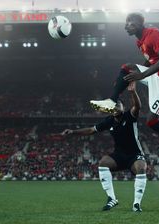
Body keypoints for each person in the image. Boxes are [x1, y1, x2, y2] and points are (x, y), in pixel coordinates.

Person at [90, 12, 159, 176]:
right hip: (158, 75)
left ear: (140, 23)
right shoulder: (139, 41)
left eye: (130, 22)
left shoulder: (153, 33)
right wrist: (137, 75)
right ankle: (112, 101)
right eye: (126, 22)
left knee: (152, 121)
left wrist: (142, 75)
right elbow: (150, 61)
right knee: (127, 67)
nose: (126, 25)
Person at [61, 82, 146, 212]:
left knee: (141, 167)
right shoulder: (109, 121)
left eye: (119, 104)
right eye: (114, 105)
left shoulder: (129, 116)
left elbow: (138, 106)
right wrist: (73, 131)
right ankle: (112, 198)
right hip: (119, 155)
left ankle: (136, 204)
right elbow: (91, 130)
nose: (117, 106)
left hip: (134, 154)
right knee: (103, 163)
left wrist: (133, 92)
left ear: (123, 107)